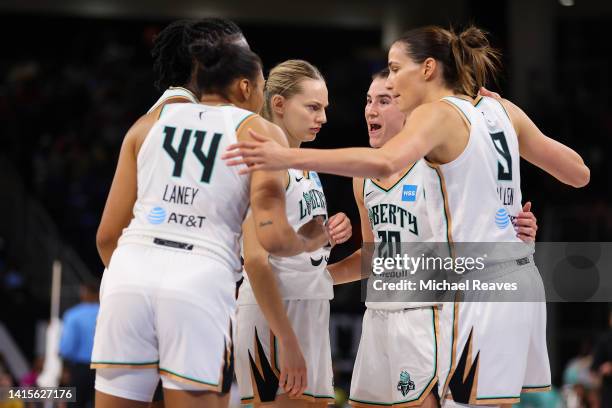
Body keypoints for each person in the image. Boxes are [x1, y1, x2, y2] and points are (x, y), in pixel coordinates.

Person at [224, 25, 590, 407]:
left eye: (395, 71)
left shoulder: (436, 117)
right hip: (515, 279)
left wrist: (287, 155)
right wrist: (506, 217)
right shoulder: (500, 108)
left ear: (428, 68)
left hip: (469, 288)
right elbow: (578, 174)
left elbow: (384, 162)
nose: (392, 84)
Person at [91, 35, 329, 408]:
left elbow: (107, 235)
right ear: (245, 86)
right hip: (197, 277)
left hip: (127, 273)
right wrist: (311, 240)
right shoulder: (260, 130)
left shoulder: (149, 123)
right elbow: (272, 237)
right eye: (262, 87)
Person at [325, 69, 538, 408]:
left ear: (410, 108)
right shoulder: (361, 177)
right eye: (368, 101)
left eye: (384, 101)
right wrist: (319, 278)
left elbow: (487, 219)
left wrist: (518, 230)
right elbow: (373, 258)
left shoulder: (437, 165)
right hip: (377, 315)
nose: (371, 110)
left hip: (426, 314)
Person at [235, 60, 352, 407]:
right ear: (280, 104)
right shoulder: (267, 165)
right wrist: (287, 341)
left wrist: (329, 234)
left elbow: (303, 252)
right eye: (313, 107)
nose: (323, 118)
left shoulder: (303, 167)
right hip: (275, 317)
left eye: (325, 108)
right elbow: (256, 261)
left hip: (309, 312)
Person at [59, 282, 100, 408]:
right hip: (103, 368)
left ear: (84, 293)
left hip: (80, 369)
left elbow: (66, 348)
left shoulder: (73, 315)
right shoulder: (106, 312)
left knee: (75, 404)